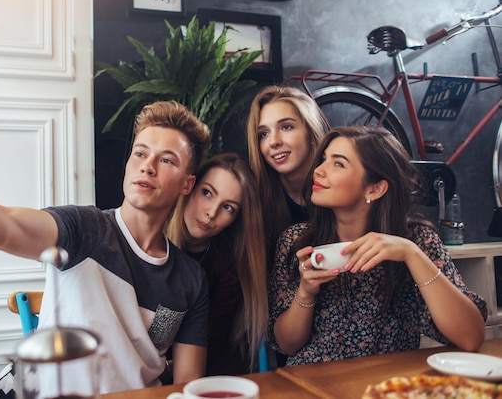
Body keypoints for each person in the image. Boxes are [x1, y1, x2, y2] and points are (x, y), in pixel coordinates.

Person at [0, 15, 212, 394]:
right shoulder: (84, 229)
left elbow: (187, 388)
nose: (147, 166)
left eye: (166, 160)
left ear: (187, 184)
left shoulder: (190, 280)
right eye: (140, 153)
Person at [268, 126, 487, 366]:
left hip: (387, 384)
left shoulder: (418, 241)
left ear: (375, 188)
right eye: (323, 160)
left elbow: (470, 338)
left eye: (338, 164)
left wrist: (411, 254)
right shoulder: (298, 242)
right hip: (312, 385)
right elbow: (287, 345)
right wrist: (306, 292)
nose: (318, 171)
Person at [166, 152, 268, 376]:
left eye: (228, 207)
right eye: (207, 193)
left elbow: (207, 346)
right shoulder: (152, 237)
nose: (211, 213)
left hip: (207, 374)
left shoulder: (227, 268)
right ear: (189, 186)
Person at [245, 85, 325, 261]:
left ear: (311, 132)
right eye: (264, 134)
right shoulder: (256, 196)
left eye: (286, 127)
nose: (274, 142)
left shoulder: (338, 184)